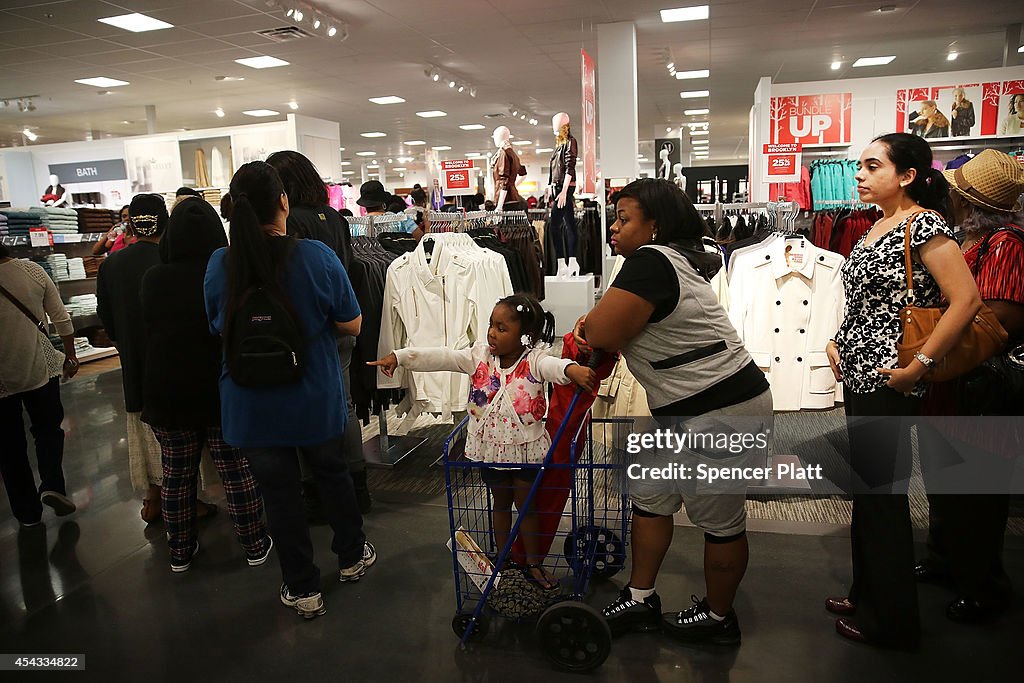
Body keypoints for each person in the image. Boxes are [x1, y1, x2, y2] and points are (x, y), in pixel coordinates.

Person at [574, 178, 772, 647]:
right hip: (680, 408)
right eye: (614, 219)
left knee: (718, 518)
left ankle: (720, 617)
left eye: (624, 220)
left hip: (722, 409)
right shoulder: (672, 261)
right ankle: (641, 596)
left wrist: (592, 327)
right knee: (650, 494)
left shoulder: (651, 261)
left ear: (655, 225)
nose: (614, 230)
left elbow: (601, 331)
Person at [824, 133, 983, 648]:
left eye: (873, 166)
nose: (861, 175)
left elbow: (966, 300)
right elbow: (869, 305)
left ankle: (892, 622)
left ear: (908, 175)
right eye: (859, 166)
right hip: (861, 373)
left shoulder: (924, 225)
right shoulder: (876, 228)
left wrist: (921, 365)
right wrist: (837, 341)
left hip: (892, 376)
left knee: (881, 497)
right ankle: (865, 590)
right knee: (868, 491)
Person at [204, 161, 372, 619]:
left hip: (250, 400)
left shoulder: (221, 263)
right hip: (311, 393)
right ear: (283, 202)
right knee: (331, 473)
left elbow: (217, 324)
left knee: (278, 495)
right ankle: (353, 556)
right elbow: (351, 322)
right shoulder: (315, 255)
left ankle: (303, 589)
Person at [370, 294, 595, 589]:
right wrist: (400, 357)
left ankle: (533, 562)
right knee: (499, 504)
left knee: (527, 506)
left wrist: (571, 369)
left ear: (525, 335)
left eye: (502, 328)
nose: (491, 332)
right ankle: (504, 560)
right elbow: (442, 356)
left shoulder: (535, 360)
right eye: (491, 324)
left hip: (525, 449)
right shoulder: (479, 356)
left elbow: (554, 366)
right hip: (490, 449)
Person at [913, 149, 1024, 622]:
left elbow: (1001, 318)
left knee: (978, 489)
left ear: (968, 200)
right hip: (953, 381)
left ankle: (984, 586)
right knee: (946, 480)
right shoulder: (973, 242)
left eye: (956, 192)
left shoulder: (1006, 246)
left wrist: (936, 332)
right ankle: (945, 560)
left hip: (981, 386)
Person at [141, 198, 272, 572]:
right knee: (235, 470)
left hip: (168, 389)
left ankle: (180, 551)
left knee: (176, 476)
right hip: (220, 387)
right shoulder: (228, 272)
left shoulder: (155, 278)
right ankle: (254, 544)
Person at [265, 150, 370, 513]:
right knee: (344, 404)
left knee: (309, 408)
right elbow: (352, 267)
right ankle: (357, 487)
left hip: (309, 328)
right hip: (342, 320)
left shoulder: (293, 222)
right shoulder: (335, 219)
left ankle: (318, 492)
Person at [97, 194, 182, 524]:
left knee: (143, 429)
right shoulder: (172, 259)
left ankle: (152, 498)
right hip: (175, 365)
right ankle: (188, 500)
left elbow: (108, 321)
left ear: (131, 222)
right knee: (181, 440)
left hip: (134, 364)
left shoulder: (112, 264)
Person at [0, 242, 79, 525]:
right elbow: (61, 318)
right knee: (47, 430)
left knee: (9, 447)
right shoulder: (31, 271)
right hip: (38, 365)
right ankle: (52, 485)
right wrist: (70, 354)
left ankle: (27, 513)